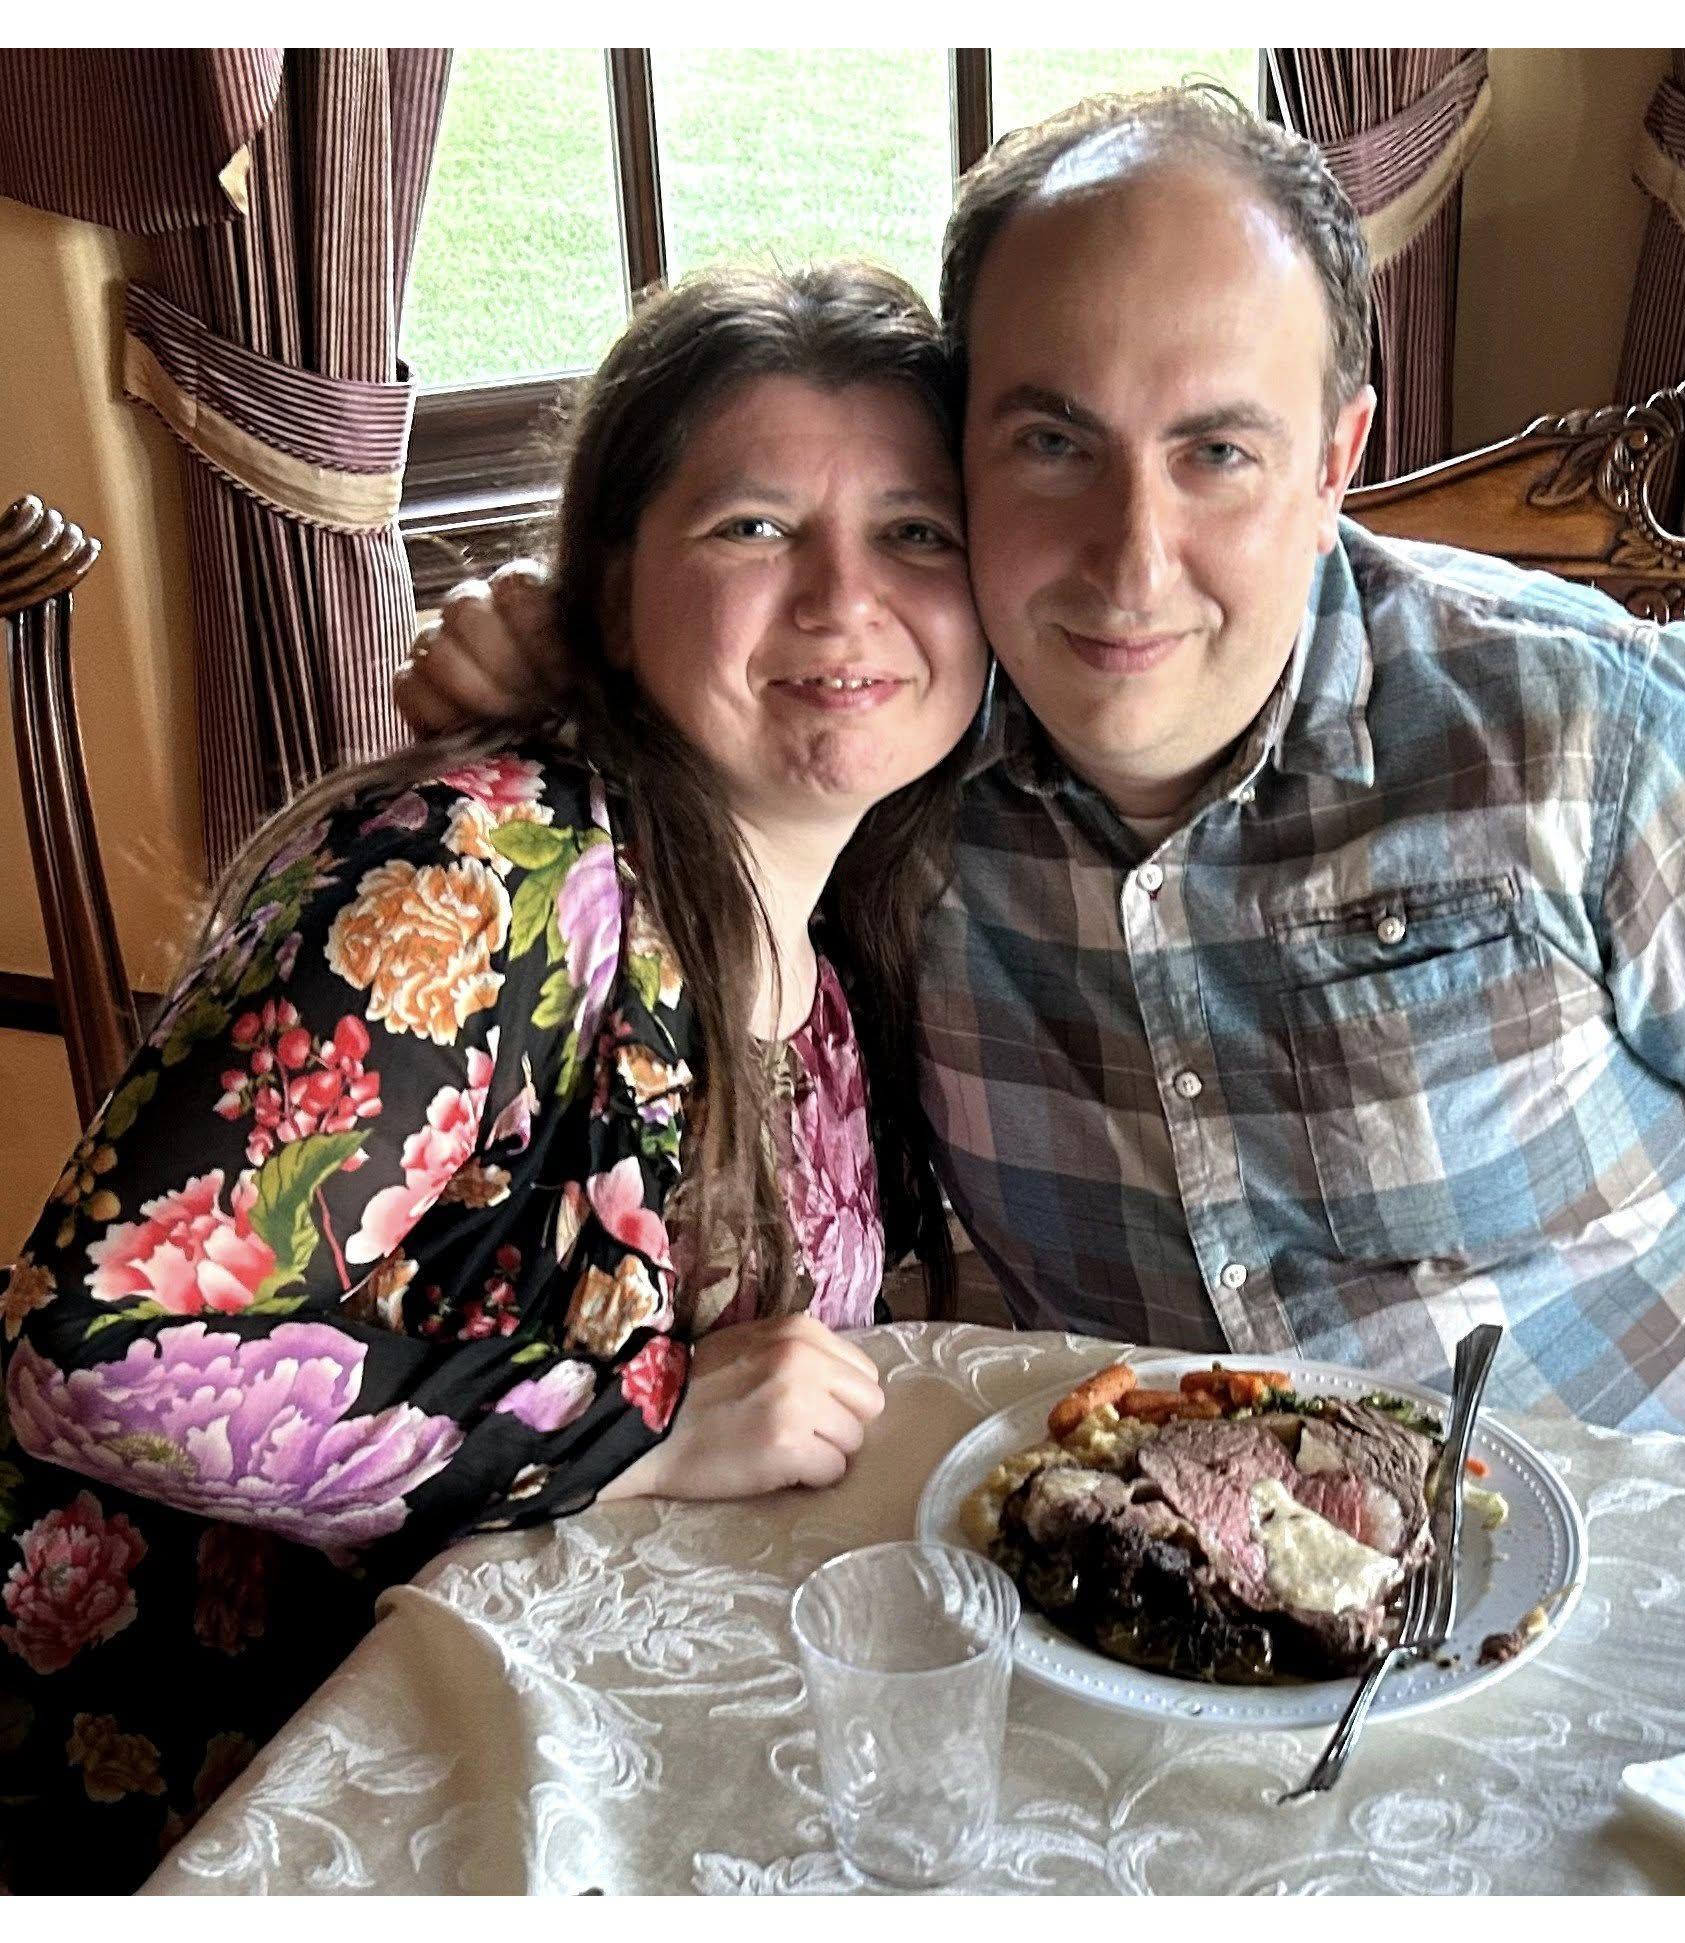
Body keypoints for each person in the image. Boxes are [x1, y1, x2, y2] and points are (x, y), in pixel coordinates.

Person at [405, 87, 1685, 1482]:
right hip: (1185, 1598)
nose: (1130, 562)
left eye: (1216, 453)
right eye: (1053, 442)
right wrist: (572, 655)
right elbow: (732, 655)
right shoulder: (893, 763)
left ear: (1335, 461)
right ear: (964, 451)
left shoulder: (1608, 741)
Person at [0, 261, 989, 1893]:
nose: (841, 598)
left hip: (553, 1735)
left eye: (917, 532)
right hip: (230, 1805)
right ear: (608, 587)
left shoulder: (848, 926)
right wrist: (631, 1427)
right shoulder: (491, 869)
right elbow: (95, 1349)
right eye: (752, 526)